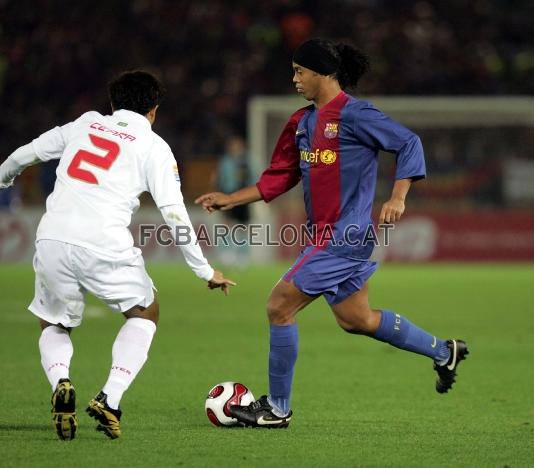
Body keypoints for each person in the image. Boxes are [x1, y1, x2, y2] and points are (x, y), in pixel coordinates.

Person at [195, 38, 469, 428]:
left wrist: (398, 196)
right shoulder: (302, 122)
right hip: (322, 237)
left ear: (324, 73)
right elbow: (280, 175)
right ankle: (443, 351)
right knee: (356, 319)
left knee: (279, 306)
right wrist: (230, 198)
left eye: (300, 71)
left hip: (345, 236)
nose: (294, 79)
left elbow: (409, 142)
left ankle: (276, 408)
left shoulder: (356, 115)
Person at [0, 70, 235, 440]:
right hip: (104, 242)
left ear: (112, 104)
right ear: (154, 110)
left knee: (55, 322)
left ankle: (61, 381)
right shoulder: (154, 146)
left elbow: (22, 155)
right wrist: (204, 270)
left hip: (52, 238)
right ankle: (109, 399)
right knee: (146, 311)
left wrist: (4, 178)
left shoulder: (85, 124)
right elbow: (174, 213)